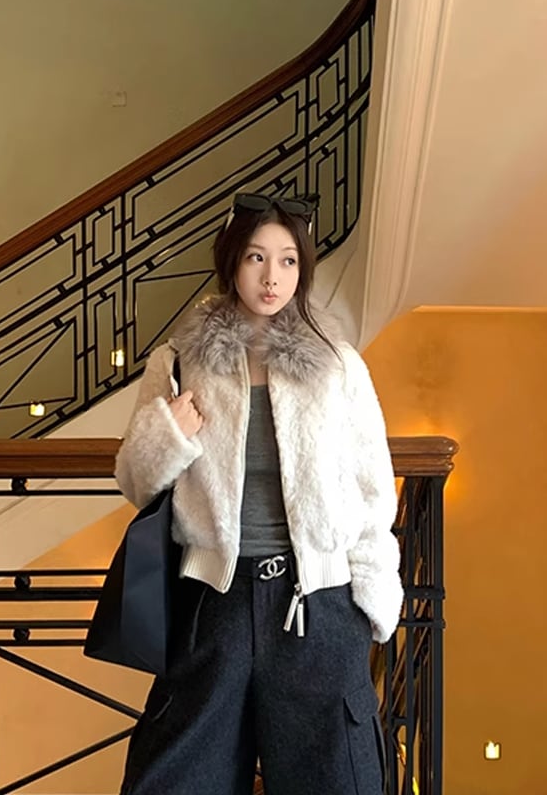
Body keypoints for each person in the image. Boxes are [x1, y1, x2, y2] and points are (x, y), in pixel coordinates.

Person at [114, 191, 403, 795]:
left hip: (318, 606)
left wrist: (374, 604)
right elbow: (135, 482)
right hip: (213, 604)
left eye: (288, 260)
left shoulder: (338, 366)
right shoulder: (179, 362)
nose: (273, 277)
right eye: (256, 257)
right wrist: (170, 435)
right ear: (231, 262)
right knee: (171, 780)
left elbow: (373, 490)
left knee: (338, 783)